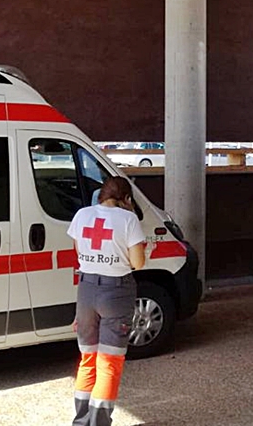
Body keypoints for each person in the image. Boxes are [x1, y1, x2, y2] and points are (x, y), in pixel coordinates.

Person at [66, 176, 151, 426]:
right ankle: (100, 423)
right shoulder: (129, 219)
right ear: (126, 199)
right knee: (109, 363)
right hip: (116, 292)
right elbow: (137, 263)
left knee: (88, 359)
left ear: (100, 195)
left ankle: (81, 422)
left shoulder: (82, 215)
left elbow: (80, 252)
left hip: (87, 290)